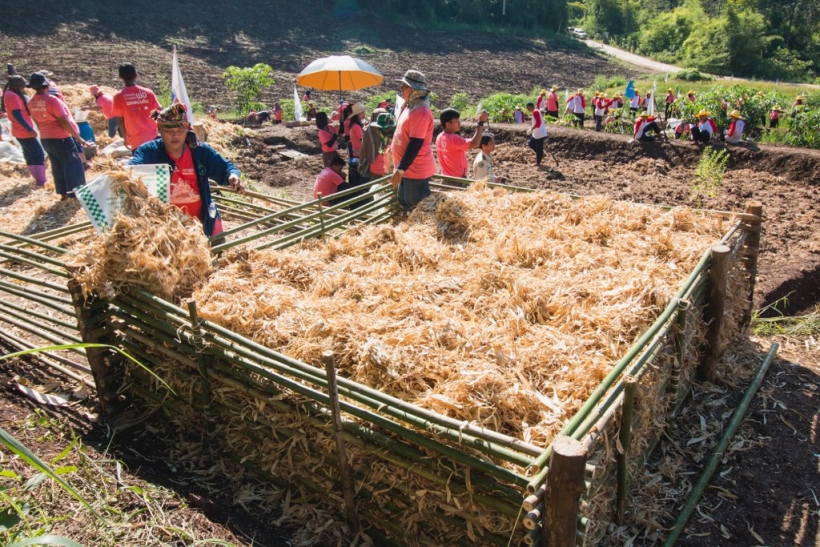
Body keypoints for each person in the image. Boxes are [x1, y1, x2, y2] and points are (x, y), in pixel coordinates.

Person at [129, 103, 242, 239]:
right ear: (160, 129)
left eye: (180, 130)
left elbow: (226, 167)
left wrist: (232, 175)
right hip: (167, 230)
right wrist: (125, 169)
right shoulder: (149, 152)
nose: (175, 135)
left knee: (216, 250)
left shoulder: (200, 152)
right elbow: (133, 167)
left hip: (203, 224)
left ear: (187, 129)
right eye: (169, 131)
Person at [26, 72, 91, 199]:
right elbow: (64, 121)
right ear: (46, 86)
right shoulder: (52, 100)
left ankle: (63, 193)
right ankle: (77, 194)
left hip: (46, 138)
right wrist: (79, 139)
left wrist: (44, 133)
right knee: (72, 165)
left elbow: (37, 121)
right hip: (61, 138)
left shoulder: (31, 102)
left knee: (57, 166)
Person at [390, 69, 436, 213]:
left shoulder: (421, 112)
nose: (401, 89)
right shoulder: (410, 106)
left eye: (405, 87)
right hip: (406, 170)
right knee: (406, 205)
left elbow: (415, 144)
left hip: (415, 171)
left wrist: (401, 168)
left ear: (415, 90)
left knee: (416, 209)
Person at [1, 75, 47, 186]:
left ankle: (37, 178)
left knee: (29, 153)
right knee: (38, 154)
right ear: (16, 86)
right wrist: (29, 129)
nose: (24, 89)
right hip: (23, 130)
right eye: (22, 87)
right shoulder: (13, 96)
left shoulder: (8, 93)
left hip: (18, 130)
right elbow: (17, 114)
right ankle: (41, 180)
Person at [112, 63, 161, 151]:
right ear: (136, 75)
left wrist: (125, 138)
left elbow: (120, 121)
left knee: (141, 160)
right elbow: (158, 114)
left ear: (120, 77)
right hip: (154, 137)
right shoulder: (148, 92)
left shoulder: (118, 96)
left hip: (136, 140)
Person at [435, 107, 489, 178]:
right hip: (457, 180)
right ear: (448, 124)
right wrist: (480, 123)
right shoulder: (453, 139)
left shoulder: (439, 137)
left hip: (446, 177)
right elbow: (475, 143)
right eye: (456, 122)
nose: (459, 123)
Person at [359, 110, 394, 179]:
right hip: (390, 168)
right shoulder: (394, 131)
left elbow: (363, 148)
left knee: (375, 184)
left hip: (375, 166)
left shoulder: (368, 130)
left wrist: (360, 163)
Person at [526, 102, 548, 166]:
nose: (527, 109)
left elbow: (538, 123)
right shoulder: (535, 112)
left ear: (530, 107)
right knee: (531, 143)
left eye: (527, 108)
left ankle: (538, 162)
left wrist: (531, 129)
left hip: (540, 133)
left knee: (539, 148)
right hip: (536, 133)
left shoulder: (535, 112)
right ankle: (542, 153)